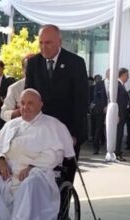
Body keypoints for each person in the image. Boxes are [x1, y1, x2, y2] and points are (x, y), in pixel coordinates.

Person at [0, 89, 74, 220]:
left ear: (40, 104)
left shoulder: (52, 125)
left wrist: (32, 166)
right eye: (22, 103)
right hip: (7, 173)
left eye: (30, 103)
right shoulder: (11, 124)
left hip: (37, 173)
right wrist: (0, 160)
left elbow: (55, 155)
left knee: (29, 185)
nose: (25, 107)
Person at [25, 24, 88, 183]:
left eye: (48, 42)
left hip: (67, 131)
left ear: (59, 42)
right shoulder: (34, 64)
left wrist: (72, 134)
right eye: (41, 43)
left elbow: (80, 102)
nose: (43, 47)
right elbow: (29, 97)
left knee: (64, 180)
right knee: (39, 179)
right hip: (41, 131)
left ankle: (63, 208)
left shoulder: (75, 63)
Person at [0, 53, 35, 122]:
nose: (31, 71)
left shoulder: (49, 85)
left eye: (34, 67)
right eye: (28, 67)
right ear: (23, 69)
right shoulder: (14, 88)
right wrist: (19, 112)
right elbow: (4, 113)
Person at [116, 67, 129, 161]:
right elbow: (119, 102)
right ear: (123, 75)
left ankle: (118, 151)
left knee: (119, 134)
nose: (128, 77)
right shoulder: (118, 85)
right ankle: (117, 153)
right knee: (118, 134)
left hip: (122, 114)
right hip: (120, 115)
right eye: (127, 75)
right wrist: (119, 115)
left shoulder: (121, 85)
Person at [92, 74, 108, 154]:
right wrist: (103, 107)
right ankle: (96, 148)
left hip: (112, 109)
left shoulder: (115, 84)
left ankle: (112, 148)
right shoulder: (99, 84)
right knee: (98, 129)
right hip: (100, 110)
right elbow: (96, 97)